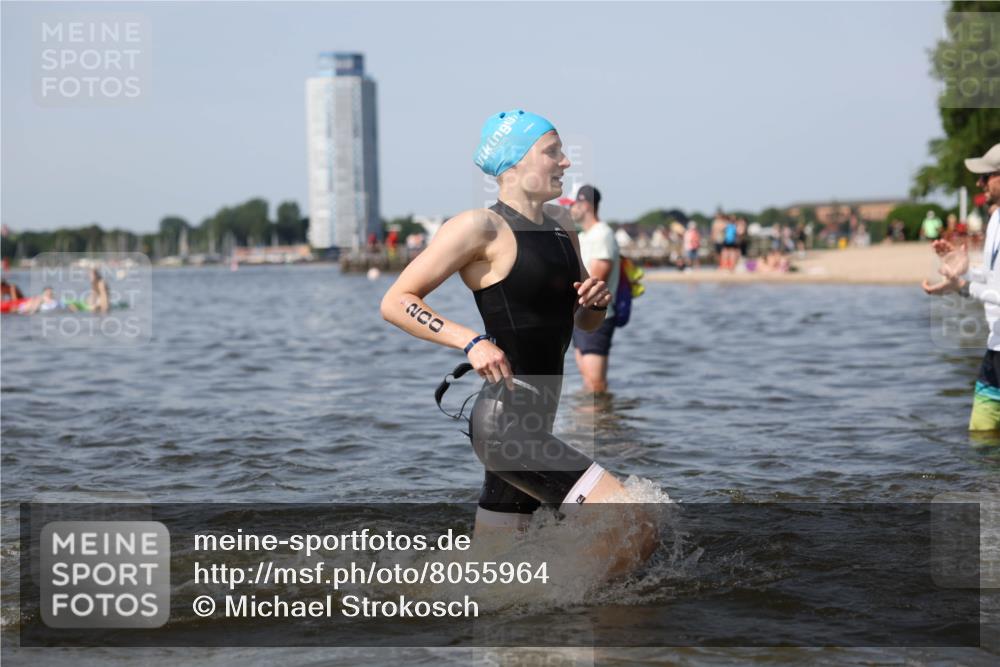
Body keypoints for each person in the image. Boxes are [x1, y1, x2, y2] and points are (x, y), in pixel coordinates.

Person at [380, 110, 655, 571]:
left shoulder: (562, 230)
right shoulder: (479, 228)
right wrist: (470, 342)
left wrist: (595, 303)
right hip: (507, 429)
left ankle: (508, 628)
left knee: (495, 579)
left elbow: (584, 325)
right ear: (513, 164)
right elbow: (396, 300)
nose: (565, 162)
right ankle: (592, 624)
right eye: (552, 151)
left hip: (535, 426)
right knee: (634, 521)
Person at [923, 143, 1000, 431]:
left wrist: (963, 286)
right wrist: (967, 270)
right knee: (981, 441)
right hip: (995, 350)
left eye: (986, 175)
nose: (979, 182)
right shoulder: (995, 220)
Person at [570, 185, 620, 394]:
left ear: (586, 204)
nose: (571, 209)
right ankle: (590, 423)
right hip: (578, 316)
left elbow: (597, 281)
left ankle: (603, 424)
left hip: (598, 317)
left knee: (596, 383)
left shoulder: (602, 234)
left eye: (573, 204)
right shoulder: (584, 235)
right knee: (587, 380)